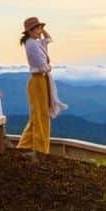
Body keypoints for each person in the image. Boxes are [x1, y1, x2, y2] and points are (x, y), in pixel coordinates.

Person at [16, 16, 66, 154]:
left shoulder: (35, 42)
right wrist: (49, 68)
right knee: (41, 116)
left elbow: (49, 39)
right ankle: (41, 150)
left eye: (40, 28)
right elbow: (43, 66)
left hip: (41, 81)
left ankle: (23, 146)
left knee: (36, 116)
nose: (40, 30)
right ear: (30, 31)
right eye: (37, 28)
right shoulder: (31, 44)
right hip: (38, 80)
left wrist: (43, 30)